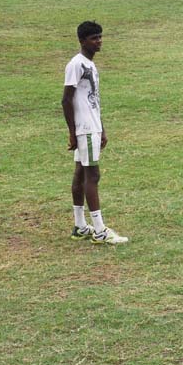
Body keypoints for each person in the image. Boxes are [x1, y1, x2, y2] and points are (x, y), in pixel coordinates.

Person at [62, 21, 128, 244]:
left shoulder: (90, 65)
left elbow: (93, 101)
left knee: (81, 172)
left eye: (100, 37)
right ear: (82, 41)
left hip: (92, 127)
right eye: (94, 38)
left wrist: (102, 128)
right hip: (84, 128)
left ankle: (81, 226)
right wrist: (73, 132)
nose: (99, 41)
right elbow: (66, 99)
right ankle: (99, 230)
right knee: (93, 175)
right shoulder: (76, 65)